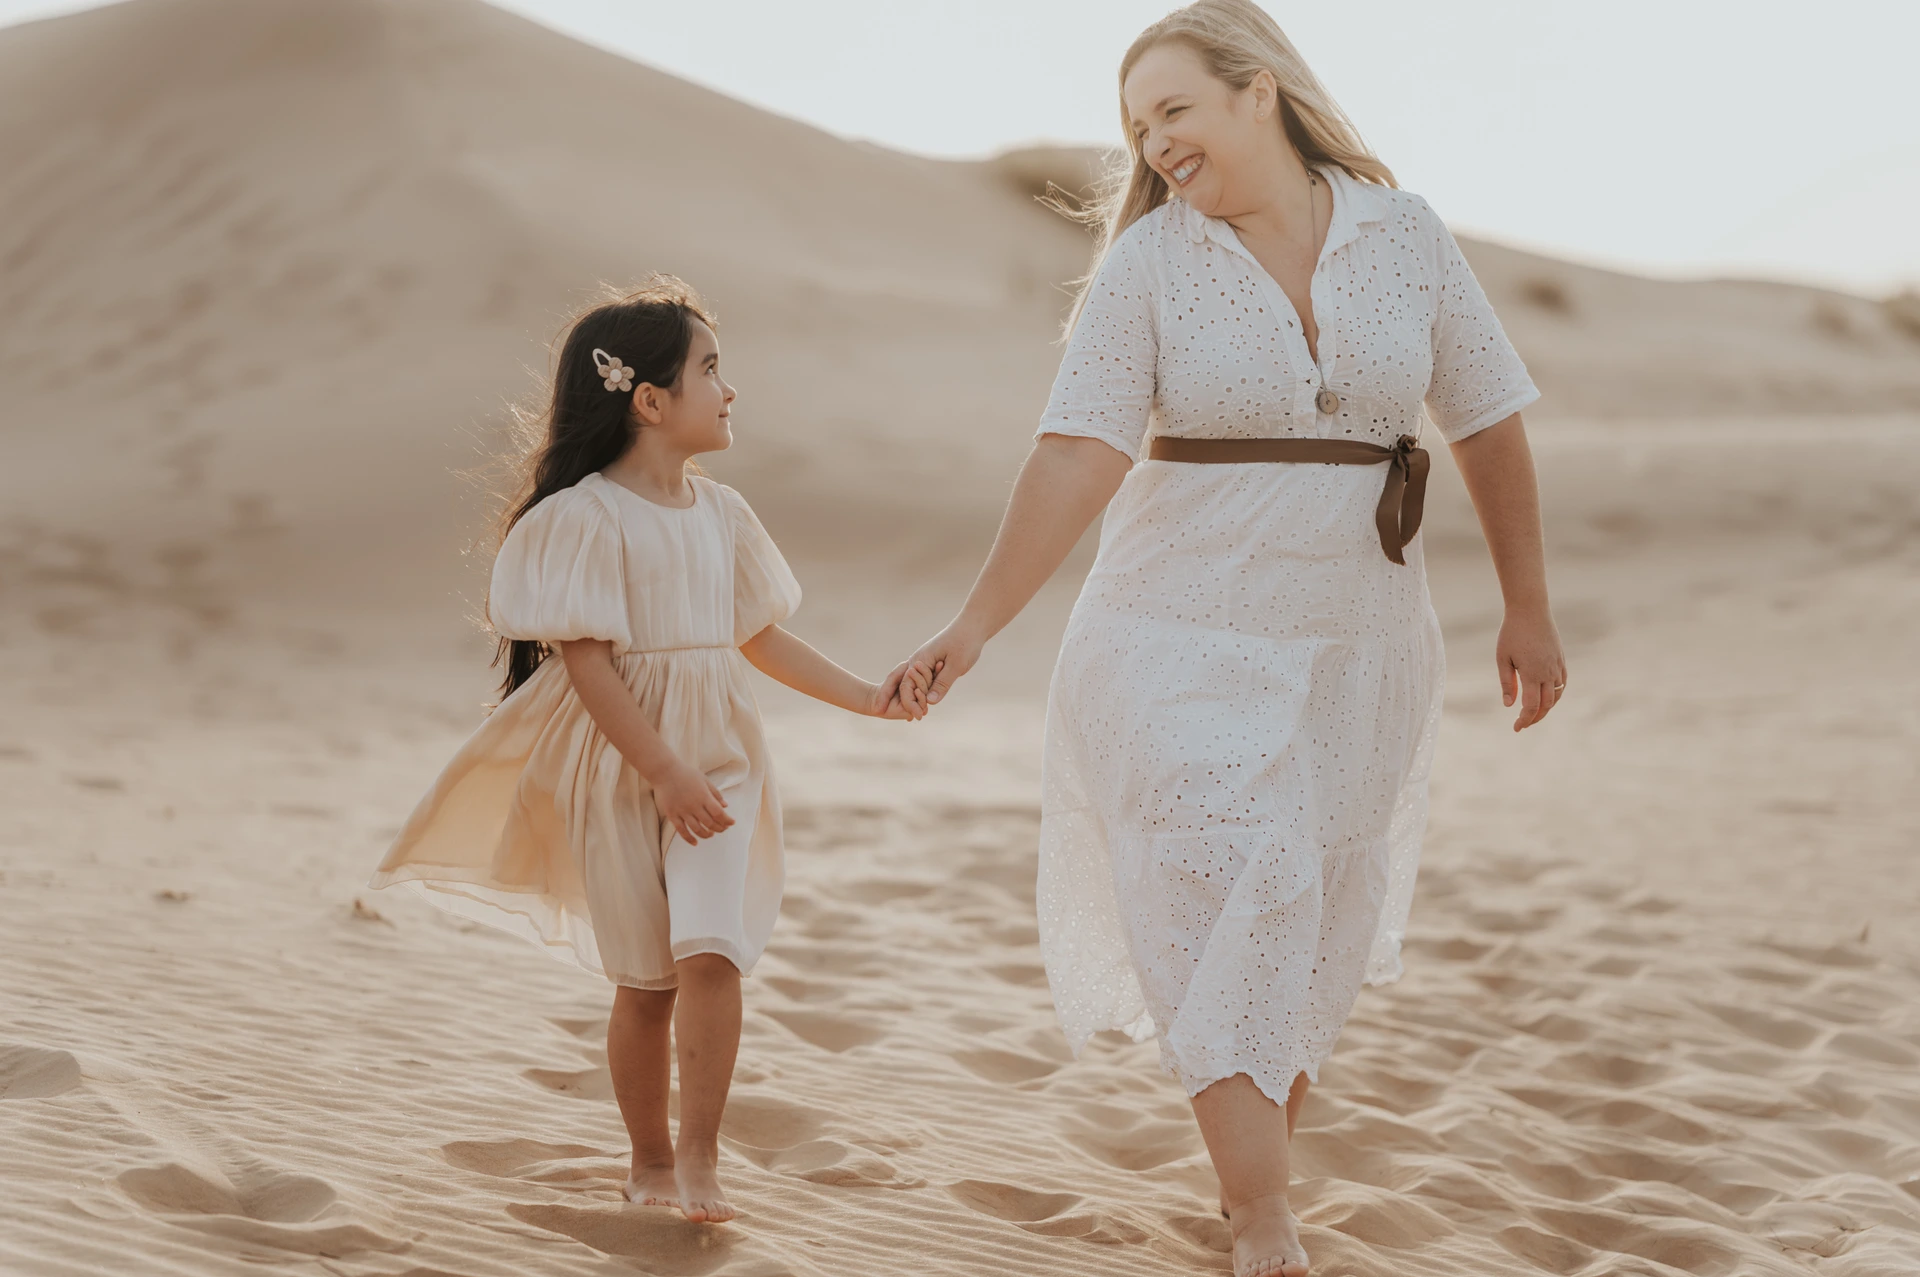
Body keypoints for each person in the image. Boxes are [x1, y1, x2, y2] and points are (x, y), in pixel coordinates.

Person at [896, 3, 1566, 1273]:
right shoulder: (1149, 264)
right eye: (1139, 127)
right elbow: (1079, 450)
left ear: (1258, 89)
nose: (1155, 143)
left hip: (1359, 638)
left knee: (1304, 916)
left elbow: (1487, 419)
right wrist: (975, 623)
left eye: (1173, 110)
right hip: (1171, 628)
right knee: (1227, 868)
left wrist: (1527, 603)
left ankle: (1249, 1178)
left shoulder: (1406, 235)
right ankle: (1264, 1213)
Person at [370, 277, 920, 1224]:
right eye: (712, 369)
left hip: (721, 760)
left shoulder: (726, 516)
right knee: (649, 979)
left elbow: (761, 637)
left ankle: (704, 1156)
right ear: (651, 401)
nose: (730, 389)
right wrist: (660, 770)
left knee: (714, 951)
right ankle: (651, 1154)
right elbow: (584, 661)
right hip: (625, 762)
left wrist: (866, 697)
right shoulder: (585, 517)